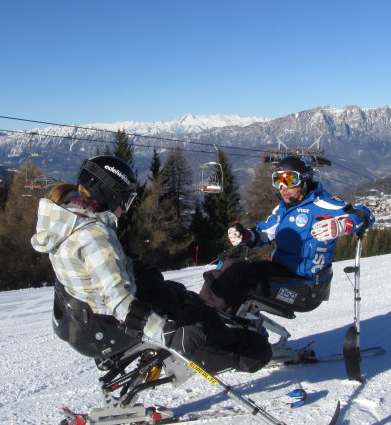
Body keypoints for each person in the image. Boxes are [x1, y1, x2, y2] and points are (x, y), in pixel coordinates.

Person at [30, 155, 270, 379]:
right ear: (108, 193)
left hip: (86, 318)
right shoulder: (93, 236)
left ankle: (218, 326)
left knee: (176, 294)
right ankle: (243, 351)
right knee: (202, 322)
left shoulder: (67, 220)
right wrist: (169, 334)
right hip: (109, 325)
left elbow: (92, 271)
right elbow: (120, 303)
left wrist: (133, 269)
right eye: (126, 200)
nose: (125, 209)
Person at [200, 155, 374, 315]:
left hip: (306, 286)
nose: (283, 187)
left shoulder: (322, 203)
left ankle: (207, 320)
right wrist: (245, 236)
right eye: (278, 180)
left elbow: (366, 215)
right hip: (281, 272)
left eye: (289, 180)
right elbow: (263, 233)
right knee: (229, 266)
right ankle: (209, 314)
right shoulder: (284, 208)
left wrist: (343, 224)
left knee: (237, 274)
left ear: (305, 180)